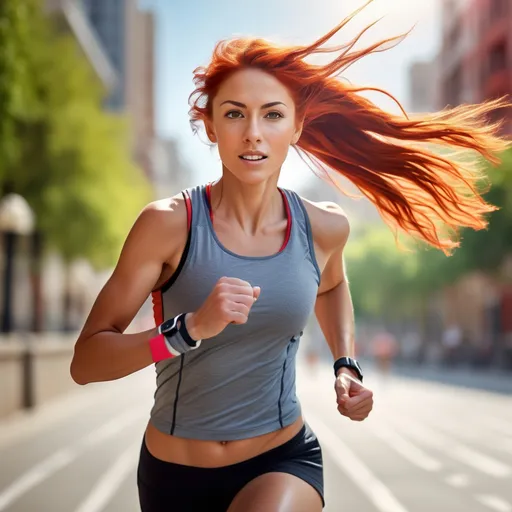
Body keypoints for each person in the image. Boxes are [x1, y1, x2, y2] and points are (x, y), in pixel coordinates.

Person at [69, 3, 510, 511]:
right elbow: (86, 362)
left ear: (296, 128)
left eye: (272, 115)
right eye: (234, 113)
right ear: (210, 125)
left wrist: (347, 364)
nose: (253, 132)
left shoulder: (324, 227)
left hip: (282, 458)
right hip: (174, 475)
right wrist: (186, 330)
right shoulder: (168, 224)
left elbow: (332, 284)